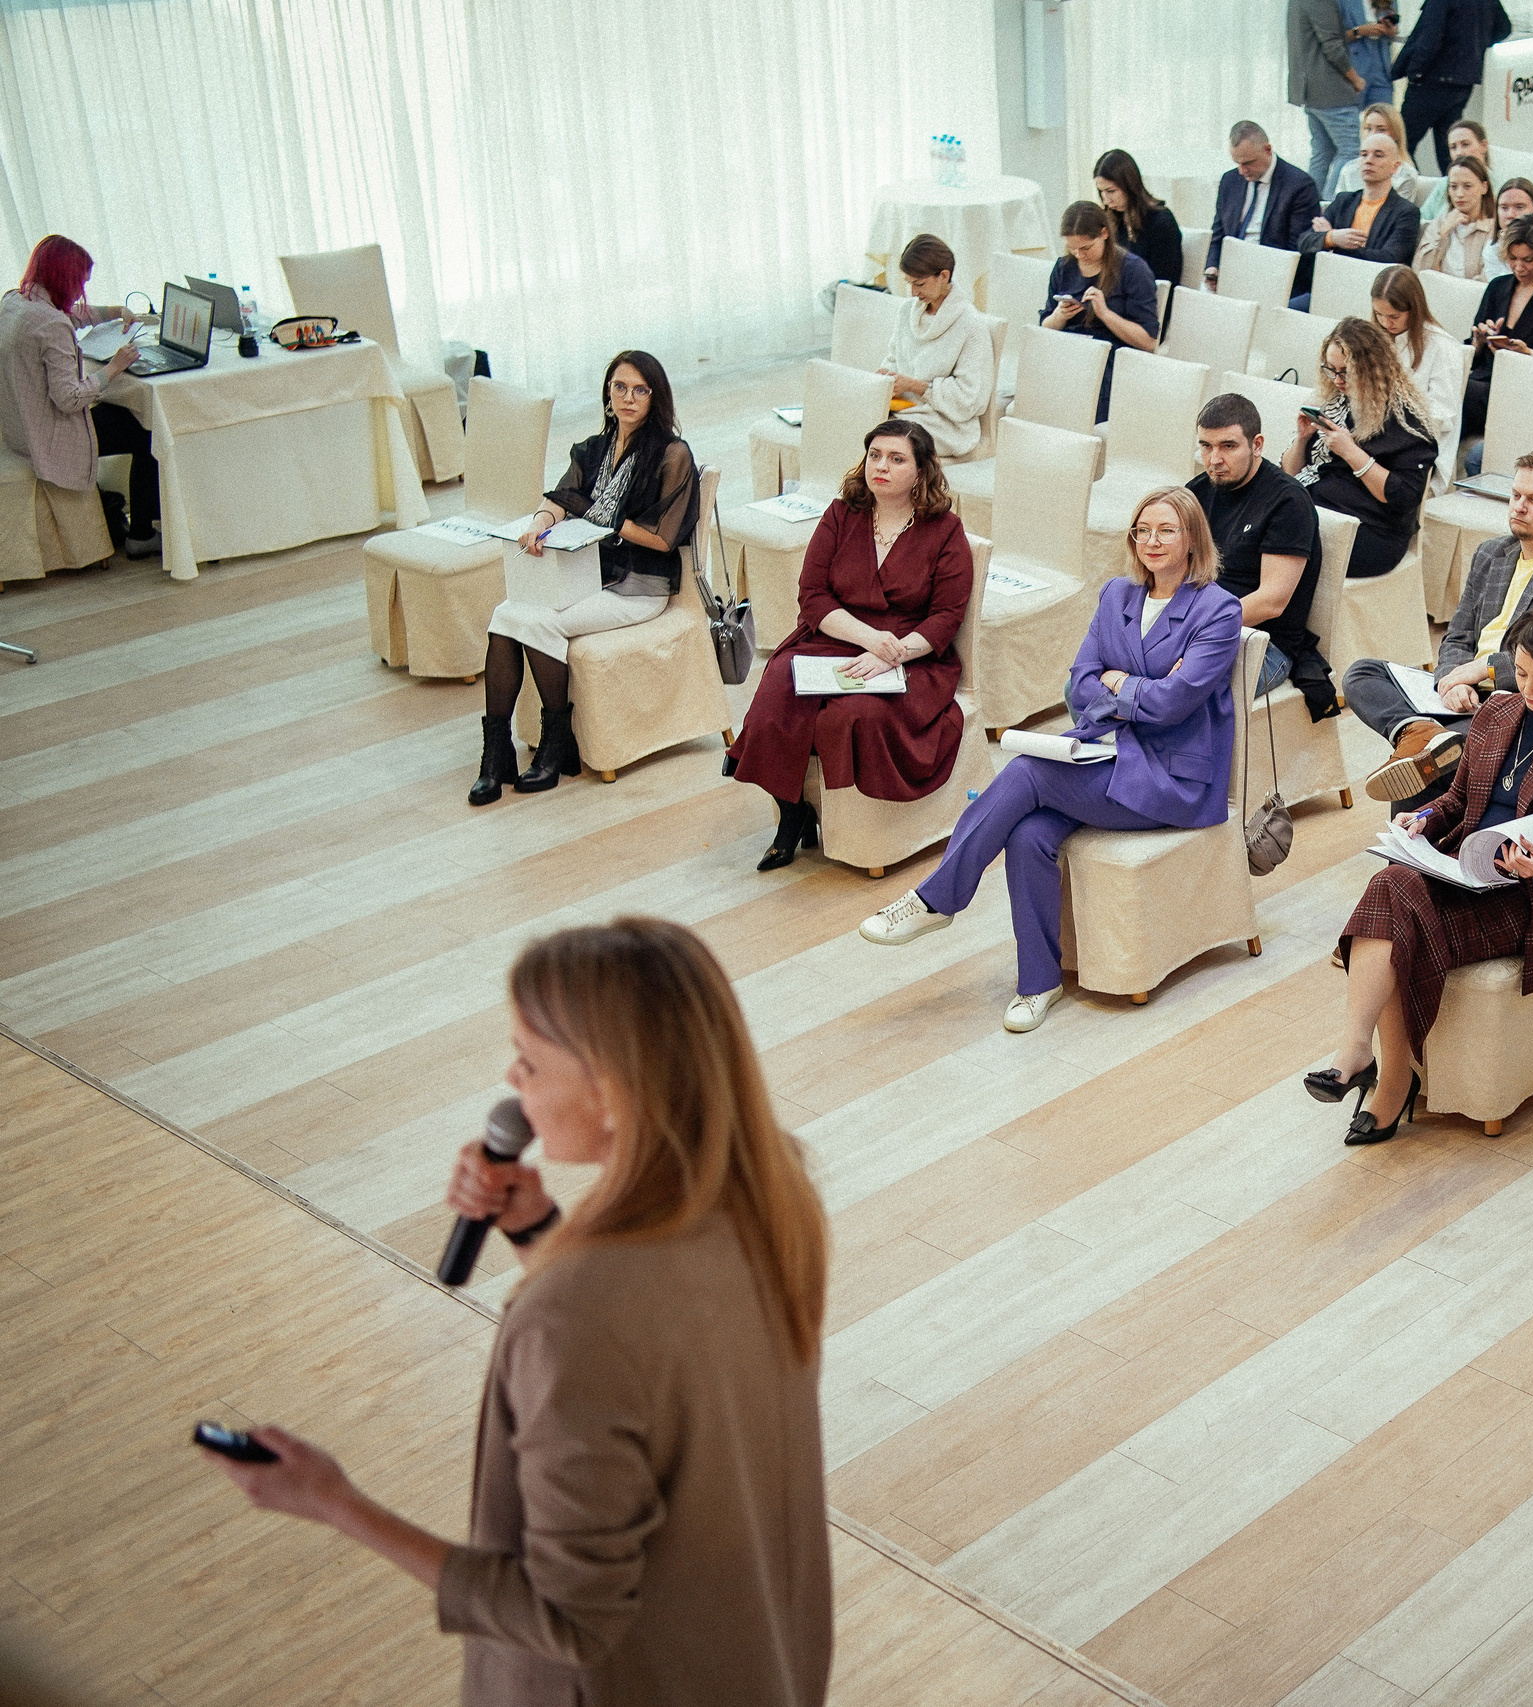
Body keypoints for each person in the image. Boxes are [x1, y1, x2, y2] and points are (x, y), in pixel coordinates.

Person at [202, 917, 834, 1703]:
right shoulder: (775, 1199)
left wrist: (332, 1500)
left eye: (530, 1061)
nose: (512, 1079)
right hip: (757, 1662)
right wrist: (539, 1230)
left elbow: (568, 1618)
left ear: (609, 1090)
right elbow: (652, 1365)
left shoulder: (577, 1316)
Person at [858, 487, 1243, 1033]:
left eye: (1167, 531)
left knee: (1026, 770)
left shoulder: (1217, 609)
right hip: (1106, 755)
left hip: (1170, 780)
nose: (1152, 542)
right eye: (1142, 531)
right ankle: (1039, 983)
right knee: (1028, 834)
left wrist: (1123, 685)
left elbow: (1176, 702)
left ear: (1192, 539)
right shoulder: (1117, 595)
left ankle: (938, 898)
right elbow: (1080, 683)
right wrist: (1137, 687)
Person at [1317, 603, 1533, 1144]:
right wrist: (1425, 817)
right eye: (1521, 673)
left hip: (1528, 900)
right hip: (1464, 871)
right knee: (1392, 883)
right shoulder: (1496, 714)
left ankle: (1380, 1075)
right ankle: (1364, 1055)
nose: (1528, 688)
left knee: (1394, 912)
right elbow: (1459, 799)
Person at [726, 419, 973, 870]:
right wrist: (869, 639)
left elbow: (946, 616)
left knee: (852, 714)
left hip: (912, 656)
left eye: (897, 459)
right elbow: (813, 595)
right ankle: (792, 812)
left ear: (922, 471)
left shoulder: (946, 531)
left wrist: (891, 652)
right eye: (875, 455)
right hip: (838, 636)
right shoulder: (842, 514)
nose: (881, 466)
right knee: (780, 682)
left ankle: (861, 836)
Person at [471, 352, 697, 808]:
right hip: (589, 574)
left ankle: (557, 745)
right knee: (505, 614)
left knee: (539, 622)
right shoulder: (595, 448)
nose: (628, 398)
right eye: (619, 388)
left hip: (638, 585)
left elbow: (663, 538)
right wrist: (539, 522)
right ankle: (495, 754)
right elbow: (561, 497)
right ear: (607, 394)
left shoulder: (672, 454)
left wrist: (608, 521)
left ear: (657, 397)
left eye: (640, 390)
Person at [1348, 449, 1533, 803]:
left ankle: (1415, 827)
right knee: (1363, 674)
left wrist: (1484, 670)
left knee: (1428, 764)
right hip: (1472, 699)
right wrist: (1450, 681)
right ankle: (1419, 731)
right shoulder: (1492, 553)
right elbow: (1458, 636)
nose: (1519, 507)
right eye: (1516, 495)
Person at [0, 235, 158, 566]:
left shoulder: (16, 301)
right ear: (65, 279)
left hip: (17, 427)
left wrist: (115, 311)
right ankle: (142, 535)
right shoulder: (51, 324)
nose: (81, 290)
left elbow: (72, 314)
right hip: (50, 436)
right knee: (148, 429)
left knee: (123, 412)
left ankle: (143, 527)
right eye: (80, 282)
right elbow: (69, 399)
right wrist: (114, 368)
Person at [1189, 393, 1329, 706]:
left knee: (1168, 695)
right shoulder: (1196, 491)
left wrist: (1194, 629)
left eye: (1228, 446)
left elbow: (1271, 602)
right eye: (1206, 446)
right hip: (1198, 630)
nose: (1214, 459)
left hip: (1262, 645)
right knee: (1083, 688)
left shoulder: (1287, 502)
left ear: (1257, 445)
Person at [1287, 317, 1439, 576]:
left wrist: (1350, 452)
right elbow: (1290, 473)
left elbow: (1400, 499)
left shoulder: (1405, 421)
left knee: (1275, 539)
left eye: (1345, 372)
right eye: (1330, 369)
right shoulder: (1335, 402)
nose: (1337, 380)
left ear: (1371, 369)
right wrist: (1302, 439)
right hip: (1320, 510)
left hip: (1372, 532)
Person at [1459, 214, 1533, 437]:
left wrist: (1530, 355)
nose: (1519, 267)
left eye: (1528, 259)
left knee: (1459, 391)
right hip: (1484, 382)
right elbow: (1471, 350)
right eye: (1513, 259)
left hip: (1525, 391)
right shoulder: (1497, 287)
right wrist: (1479, 342)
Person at [876, 235, 997, 460]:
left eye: (919, 283)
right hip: (902, 410)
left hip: (945, 424)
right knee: (849, 417)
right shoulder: (906, 312)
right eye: (909, 283)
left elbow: (970, 399)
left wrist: (917, 386)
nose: (913, 292)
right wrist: (885, 378)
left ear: (944, 276)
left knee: (880, 439)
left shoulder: (971, 327)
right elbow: (892, 360)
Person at [1044, 201, 1159, 420]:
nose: (1079, 255)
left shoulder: (1133, 270)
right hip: (1070, 350)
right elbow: (1044, 328)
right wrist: (1059, 316)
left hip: (1110, 356)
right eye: (1072, 248)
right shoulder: (1063, 267)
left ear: (1104, 234)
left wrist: (1105, 314)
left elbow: (1148, 341)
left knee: (1084, 381)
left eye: (1086, 248)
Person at [1370, 264, 1467, 491]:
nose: (1386, 322)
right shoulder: (1374, 338)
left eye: (1394, 316)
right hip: (1375, 438)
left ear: (1414, 309)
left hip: (1415, 450)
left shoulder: (1442, 347)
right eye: (1379, 315)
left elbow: (1441, 415)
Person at [1300, 132, 1423, 307]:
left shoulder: (1406, 212)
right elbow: (1304, 241)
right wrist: (1332, 237)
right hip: (1329, 287)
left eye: (1378, 155)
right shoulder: (1344, 200)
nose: (1368, 160)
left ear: (1395, 167)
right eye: (1364, 154)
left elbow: (1389, 259)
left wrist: (1335, 246)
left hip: (1373, 297)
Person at [1391, 0, 1512, 171]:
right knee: (1449, 150)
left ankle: (1413, 192)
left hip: (1431, 80)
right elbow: (1504, 28)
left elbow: (1430, 37)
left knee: (1401, 145)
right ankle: (1454, 190)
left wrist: (1415, 72)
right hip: (1463, 81)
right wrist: (1473, 46)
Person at [1207, 120, 1322, 288]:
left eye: (1248, 163)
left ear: (1267, 150)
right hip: (1231, 272)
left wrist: (1255, 276)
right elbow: (1218, 232)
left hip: (1273, 277)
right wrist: (1213, 266)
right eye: (1237, 163)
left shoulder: (1300, 185)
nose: (1242, 170)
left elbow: (1297, 250)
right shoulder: (1230, 180)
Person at [1289, 0, 1370, 199]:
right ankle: (1328, 203)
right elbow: (1332, 45)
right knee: (1352, 151)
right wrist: (1355, 79)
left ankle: (1311, 205)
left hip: (1311, 90)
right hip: (1330, 90)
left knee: (1322, 153)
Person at [1093, 150, 1185, 291]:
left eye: (1111, 191)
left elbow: (1163, 284)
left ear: (1129, 186)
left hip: (1148, 302)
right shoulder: (1113, 219)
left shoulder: (1161, 222)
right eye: (1101, 192)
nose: (1106, 200)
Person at [1418, 156, 1499, 280]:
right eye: (1453, 187)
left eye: (1467, 186)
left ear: (1484, 187)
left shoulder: (1493, 228)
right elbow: (1420, 270)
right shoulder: (1439, 223)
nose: (1459, 194)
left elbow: (1488, 276)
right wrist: (1442, 234)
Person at [1327, 102, 1423, 200]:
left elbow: (1400, 212)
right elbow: (1339, 209)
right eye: (1368, 128)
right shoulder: (1349, 170)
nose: (1372, 134)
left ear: (1395, 134)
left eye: (1381, 129)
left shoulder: (1406, 175)